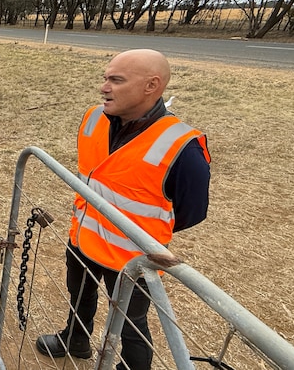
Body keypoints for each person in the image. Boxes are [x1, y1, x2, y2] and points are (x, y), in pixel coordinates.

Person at [35, 49, 211, 369]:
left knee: (131, 324)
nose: (104, 87)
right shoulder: (92, 118)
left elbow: (192, 212)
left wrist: (137, 228)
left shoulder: (182, 145)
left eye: (116, 80)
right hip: (83, 237)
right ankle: (75, 339)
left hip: (133, 258)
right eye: (105, 78)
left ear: (151, 86)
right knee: (79, 296)